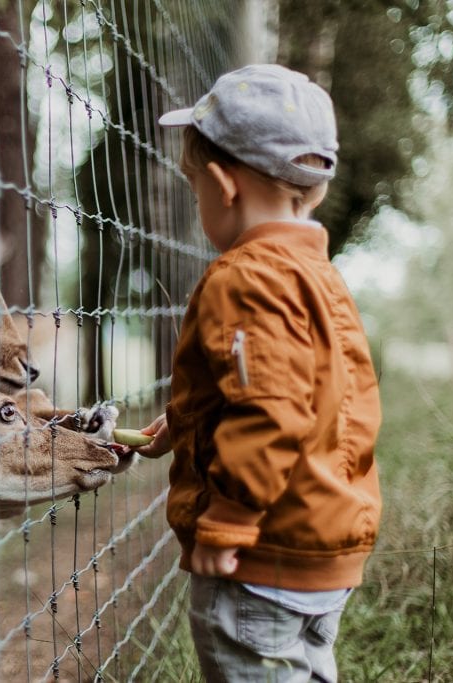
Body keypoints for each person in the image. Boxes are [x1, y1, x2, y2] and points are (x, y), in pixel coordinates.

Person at [133, 64, 382, 681]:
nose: (199, 206)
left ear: (222, 185)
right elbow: (307, 391)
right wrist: (184, 421)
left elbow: (271, 408)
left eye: (194, 190)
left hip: (259, 557)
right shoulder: (318, 276)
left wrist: (231, 518)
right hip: (319, 547)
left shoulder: (244, 277)